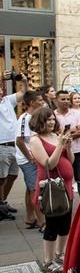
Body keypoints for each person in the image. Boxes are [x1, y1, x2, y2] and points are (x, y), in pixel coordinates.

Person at [31, 104, 76, 271]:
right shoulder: (36, 140)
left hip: (66, 186)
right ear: (39, 121)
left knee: (65, 223)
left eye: (52, 119)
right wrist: (59, 146)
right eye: (47, 120)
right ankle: (48, 261)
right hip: (52, 188)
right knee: (52, 225)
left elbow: (69, 161)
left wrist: (68, 147)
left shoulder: (56, 135)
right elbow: (49, 164)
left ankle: (60, 253)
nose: (51, 122)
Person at [15, 91, 46, 230]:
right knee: (35, 189)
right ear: (32, 103)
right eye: (40, 100)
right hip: (28, 160)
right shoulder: (25, 118)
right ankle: (42, 221)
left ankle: (30, 217)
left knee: (30, 188)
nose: (42, 102)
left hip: (33, 158)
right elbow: (20, 141)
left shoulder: (34, 117)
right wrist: (30, 158)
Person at [0, 71, 28, 216]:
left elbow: (24, 93)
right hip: (2, 145)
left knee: (12, 175)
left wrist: (24, 81)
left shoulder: (6, 100)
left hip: (13, 145)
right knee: (1, 178)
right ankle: (0, 207)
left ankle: (3, 202)